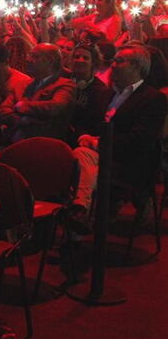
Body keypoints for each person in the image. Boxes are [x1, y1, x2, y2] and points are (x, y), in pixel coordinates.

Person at [66, 44, 167, 235]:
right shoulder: (107, 93)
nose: (113, 65)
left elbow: (140, 140)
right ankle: (79, 215)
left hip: (127, 162)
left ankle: (78, 215)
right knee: (79, 158)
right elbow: (91, 122)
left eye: (120, 61)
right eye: (114, 60)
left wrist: (99, 144)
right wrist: (86, 137)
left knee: (80, 161)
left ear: (137, 66)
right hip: (98, 156)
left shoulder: (152, 98)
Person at [2, 43, 76, 142]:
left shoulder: (65, 85)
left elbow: (55, 107)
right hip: (11, 141)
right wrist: (24, 120)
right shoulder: (23, 84)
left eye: (35, 56)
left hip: (44, 144)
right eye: (30, 55)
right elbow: (4, 110)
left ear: (50, 61)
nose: (28, 59)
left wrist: (23, 106)